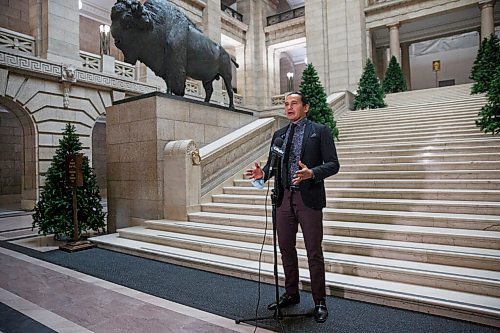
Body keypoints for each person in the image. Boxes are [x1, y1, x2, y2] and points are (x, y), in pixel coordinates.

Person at [244, 91, 340, 323]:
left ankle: (319, 301)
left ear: (305, 107)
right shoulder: (278, 135)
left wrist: (312, 173)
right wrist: (263, 174)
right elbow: (272, 166)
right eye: (286, 104)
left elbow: (333, 164)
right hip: (283, 199)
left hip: (308, 199)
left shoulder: (320, 131)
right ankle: (291, 293)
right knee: (286, 249)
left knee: (313, 252)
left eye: (294, 103)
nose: (288, 107)